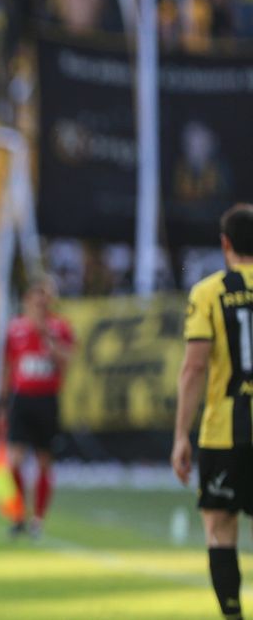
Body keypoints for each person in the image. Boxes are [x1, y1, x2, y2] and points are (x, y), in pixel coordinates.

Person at [172, 203, 253, 620]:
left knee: (220, 528)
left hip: (226, 432)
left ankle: (234, 614)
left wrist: (181, 436)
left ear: (225, 243)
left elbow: (195, 366)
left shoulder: (208, 292)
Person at [0, 277, 74, 539]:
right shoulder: (15, 329)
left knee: (43, 462)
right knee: (14, 462)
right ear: (27, 300)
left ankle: (38, 519)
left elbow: (67, 360)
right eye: (35, 299)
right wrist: (2, 403)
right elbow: (7, 367)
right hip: (22, 400)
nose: (40, 305)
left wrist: (49, 340)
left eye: (44, 300)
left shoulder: (59, 328)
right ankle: (19, 514)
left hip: (46, 400)